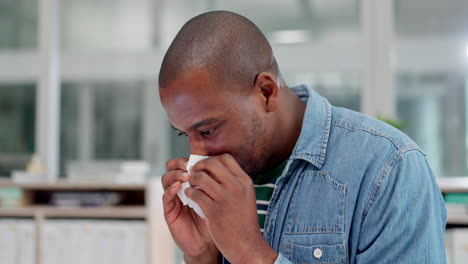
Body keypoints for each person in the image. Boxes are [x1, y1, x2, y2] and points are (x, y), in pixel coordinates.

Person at [158, 10, 447, 264]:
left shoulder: (389, 168)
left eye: (208, 130)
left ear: (266, 93)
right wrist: (201, 256)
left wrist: (252, 255)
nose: (197, 152)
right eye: (185, 133)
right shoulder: (227, 178)